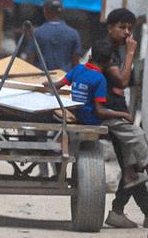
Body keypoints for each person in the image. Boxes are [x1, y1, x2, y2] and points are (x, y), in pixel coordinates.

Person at [49, 39, 148, 191]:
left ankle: (130, 174)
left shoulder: (78, 69)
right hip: (94, 119)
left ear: (90, 57)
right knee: (136, 133)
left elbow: (57, 85)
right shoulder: (99, 79)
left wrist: (45, 85)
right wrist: (123, 114)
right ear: (110, 62)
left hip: (79, 114)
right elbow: (100, 111)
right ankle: (144, 164)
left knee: (124, 134)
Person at [100, 8, 148, 227]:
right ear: (110, 27)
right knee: (135, 163)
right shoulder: (105, 48)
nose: (127, 32)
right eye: (122, 27)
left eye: (130, 28)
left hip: (119, 113)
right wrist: (130, 53)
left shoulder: (115, 49)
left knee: (131, 169)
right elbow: (121, 81)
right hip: (109, 114)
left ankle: (118, 212)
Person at [24, 0, 82, 71]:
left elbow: (30, 60)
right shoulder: (73, 34)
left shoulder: (37, 33)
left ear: (45, 11)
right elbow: (76, 63)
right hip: (65, 77)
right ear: (61, 11)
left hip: (43, 77)